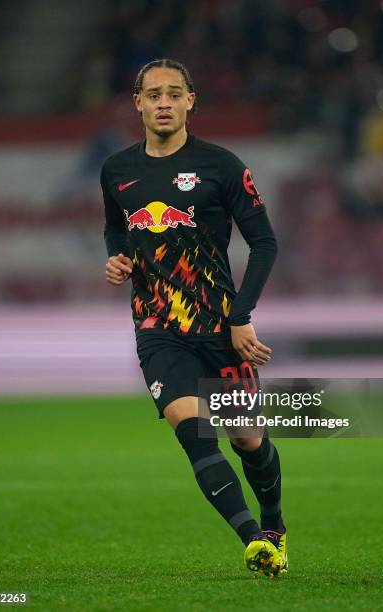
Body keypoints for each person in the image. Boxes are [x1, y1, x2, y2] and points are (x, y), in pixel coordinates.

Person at [101, 58, 287, 577]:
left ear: (190, 101)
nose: (164, 102)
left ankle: (274, 522)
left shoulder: (222, 166)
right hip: (159, 329)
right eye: (153, 94)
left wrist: (241, 316)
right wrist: (118, 259)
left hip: (219, 327)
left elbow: (265, 244)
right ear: (136, 101)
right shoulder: (116, 170)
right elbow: (116, 231)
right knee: (194, 429)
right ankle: (255, 541)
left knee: (247, 438)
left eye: (174, 93)